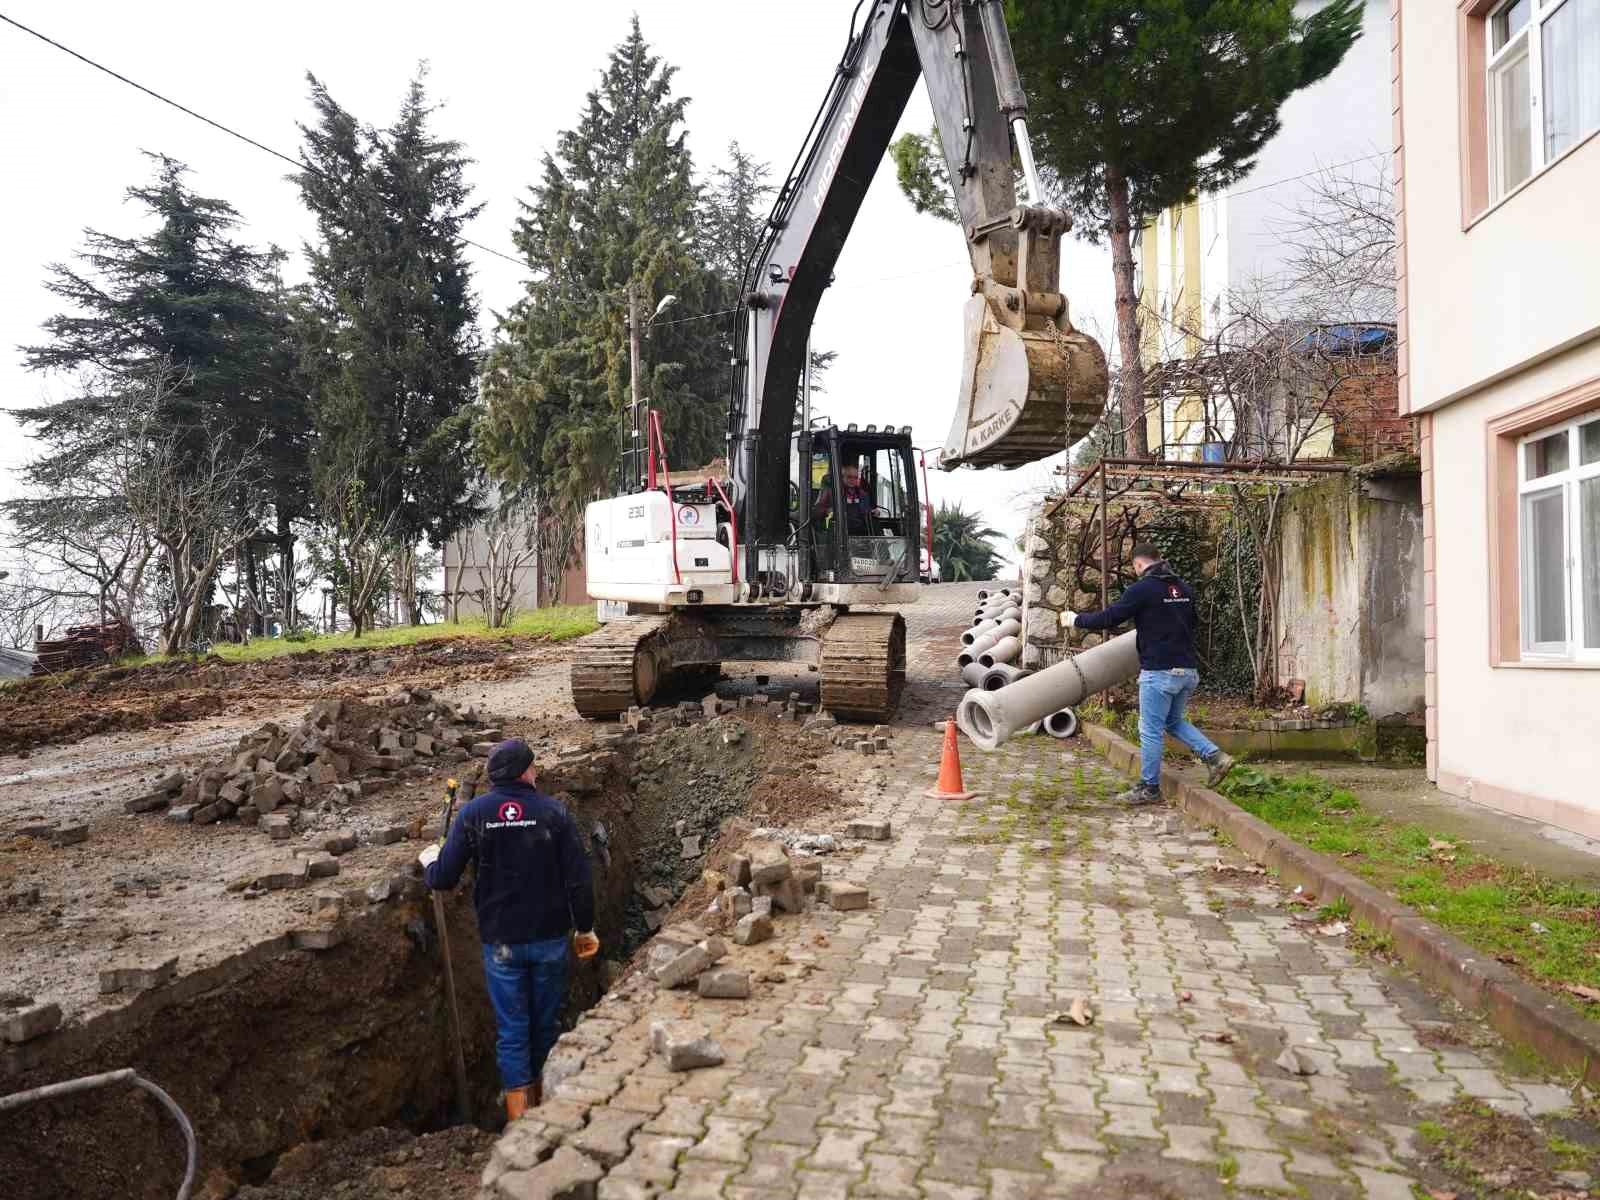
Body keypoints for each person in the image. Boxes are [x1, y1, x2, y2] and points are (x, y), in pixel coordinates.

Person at [419, 738, 599, 1121]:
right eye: (533, 767)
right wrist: (584, 928)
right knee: (545, 1025)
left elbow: (443, 879)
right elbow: (579, 881)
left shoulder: (473, 814)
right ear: (525, 772)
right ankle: (547, 1111)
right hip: (549, 938)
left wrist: (430, 862)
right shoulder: (553, 812)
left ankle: (521, 1119)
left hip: (502, 943)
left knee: (513, 1030)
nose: (536, 772)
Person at [1063, 544, 1236, 806]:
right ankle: (1215, 757)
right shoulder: (1184, 589)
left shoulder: (1143, 589)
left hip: (1160, 672)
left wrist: (1076, 620)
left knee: (1150, 730)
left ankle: (1149, 787)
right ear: (1159, 559)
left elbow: (1111, 617)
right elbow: (1192, 624)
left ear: (1138, 565)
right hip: (1187, 670)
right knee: (1173, 722)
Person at [814, 460, 873, 535]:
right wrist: (827, 510)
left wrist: (872, 512)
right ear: (842, 478)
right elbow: (817, 511)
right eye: (849, 477)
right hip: (838, 534)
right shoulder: (832, 493)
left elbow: (866, 513)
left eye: (855, 477)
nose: (853, 480)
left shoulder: (863, 495)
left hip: (859, 534)